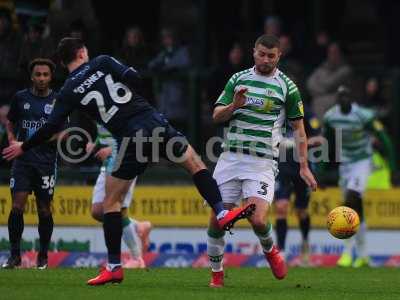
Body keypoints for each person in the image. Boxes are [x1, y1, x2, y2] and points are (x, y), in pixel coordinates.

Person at [2, 37, 255, 285]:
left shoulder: (68, 90)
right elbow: (135, 77)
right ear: (81, 52)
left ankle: (114, 267)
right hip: (153, 121)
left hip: (129, 137)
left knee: (110, 203)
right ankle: (221, 210)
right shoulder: (101, 61)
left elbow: (50, 128)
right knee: (195, 164)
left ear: (64, 60)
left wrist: (23, 146)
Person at [207, 34, 317, 288]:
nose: (265, 60)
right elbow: (216, 115)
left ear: (279, 56)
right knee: (216, 221)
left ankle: (270, 251)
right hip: (230, 158)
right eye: (261, 54)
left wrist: (304, 166)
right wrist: (234, 105)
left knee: (257, 219)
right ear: (253, 52)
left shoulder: (286, 87)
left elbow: (299, 130)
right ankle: (217, 274)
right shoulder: (238, 79)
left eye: (271, 55)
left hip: (262, 161)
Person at [322, 85, 396, 268]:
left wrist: (393, 166)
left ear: (352, 98)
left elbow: (384, 138)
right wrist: (321, 170)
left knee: (350, 199)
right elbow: (327, 142)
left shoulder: (363, 115)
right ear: (337, 100)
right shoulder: (331, 117)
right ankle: (363, 255)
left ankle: (347, 252)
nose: (344, 99)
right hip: (345, 163)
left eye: (347, 96)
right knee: (356, 207)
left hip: (363, 161)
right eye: (341, 97)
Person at [2, 58, 62, 269]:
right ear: (32, 76)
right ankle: (14, 255)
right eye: (38, 74)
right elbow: (10, 121)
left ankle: (43, 255)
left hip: (46, 163)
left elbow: (61, 134)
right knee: (17, 206)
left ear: (51, 76)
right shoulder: (20, 98)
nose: (42, 78)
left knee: (44, 210)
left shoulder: (58, 100)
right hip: (22, 163)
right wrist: (11, 138)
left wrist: (30, 142)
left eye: (46, 75)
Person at [86, 123, 151, 268]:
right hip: (108, 166)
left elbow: (134, 134)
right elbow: (103, 133)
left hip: (126, 161)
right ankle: (137, 226)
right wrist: (94, 144)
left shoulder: (119, 107)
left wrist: (111, 149)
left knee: (119, 210)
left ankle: (137, 258)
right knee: (97, 211)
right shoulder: (98, 107)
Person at [274, 104, 320, 265]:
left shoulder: (306, 113)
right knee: (281, 207)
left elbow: (319, 138)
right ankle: (281, 252)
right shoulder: (274, 113)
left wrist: (296, 143)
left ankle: (305, 244)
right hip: (281, 168)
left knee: (301, 211)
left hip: (301, 168)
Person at [307, 42, 352, 121]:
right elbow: (309, 84)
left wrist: (318, 89)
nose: (332, 55)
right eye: (330, 52)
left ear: (341, 54)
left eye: (335, 52)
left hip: (335, 106)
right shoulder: (322, 67)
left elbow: (329, 84)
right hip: (318, 105)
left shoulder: (345, 70)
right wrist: (322, 89)